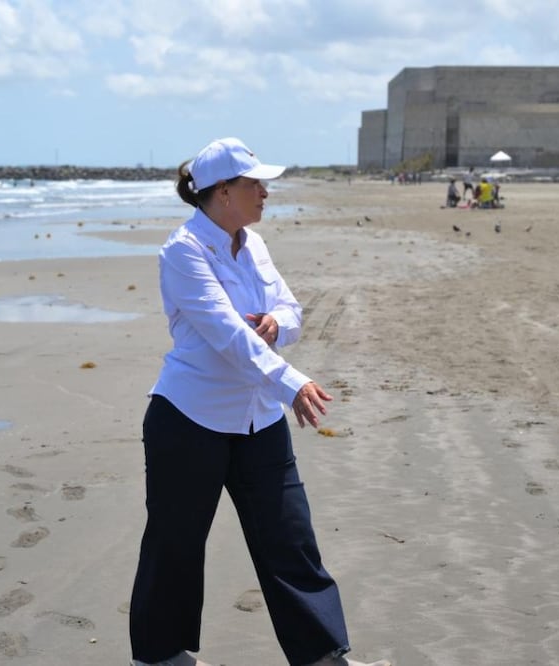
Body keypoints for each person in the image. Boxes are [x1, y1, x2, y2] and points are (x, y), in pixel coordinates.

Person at [129, 137, 391, 666]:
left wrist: (278, 324)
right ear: (223, 192)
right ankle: (158, 657)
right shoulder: (183, 251)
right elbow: (229, 337)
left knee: (290, 540)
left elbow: (290, 310)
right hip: (189, 420)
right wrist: (292, 383)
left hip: (257, 419)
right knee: (175, 544)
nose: (265, 192)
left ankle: (322, 656)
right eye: (255, 184)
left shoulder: (253, 244)